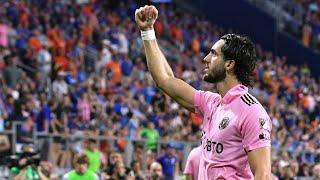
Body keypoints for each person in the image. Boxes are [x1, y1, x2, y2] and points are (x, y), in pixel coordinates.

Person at [135, 5, 272, 179]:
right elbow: (165, 80)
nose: (205, 59)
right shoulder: (211, 103)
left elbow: (263, 175)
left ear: (229, 64)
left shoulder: (252, 112)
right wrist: (147, 31)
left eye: (213, 54)